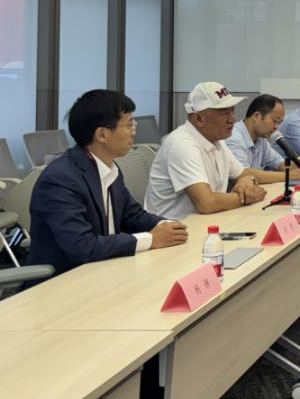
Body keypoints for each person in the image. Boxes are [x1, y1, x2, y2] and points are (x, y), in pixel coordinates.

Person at [27, 90, 187, 278]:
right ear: (102, 134)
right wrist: (151, 239)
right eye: (129, 125)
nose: (134, 132)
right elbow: (82, 246)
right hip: (64, 281)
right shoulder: (60, 179)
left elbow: (133, 216)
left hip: (106, 270)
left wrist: (169, 226)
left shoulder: (108, 168)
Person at [144, 82, 284, 218]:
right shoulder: (182, 144)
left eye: (232, 111)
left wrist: (247, 181)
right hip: (174, 227)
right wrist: (248, 197)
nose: (232, 119)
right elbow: (206, 203)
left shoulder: (217, 140)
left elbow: (243, 174)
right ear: (199, 118)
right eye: (224, 112)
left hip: (206, 221)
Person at [226, 93, 300, 175]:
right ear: (257, 116)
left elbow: (279, 164)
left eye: (279, 123)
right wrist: (288, 176)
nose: (276, 127)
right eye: (275, 121)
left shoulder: (261, 138)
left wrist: (299, 165)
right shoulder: (234, 137)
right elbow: (244, 174)